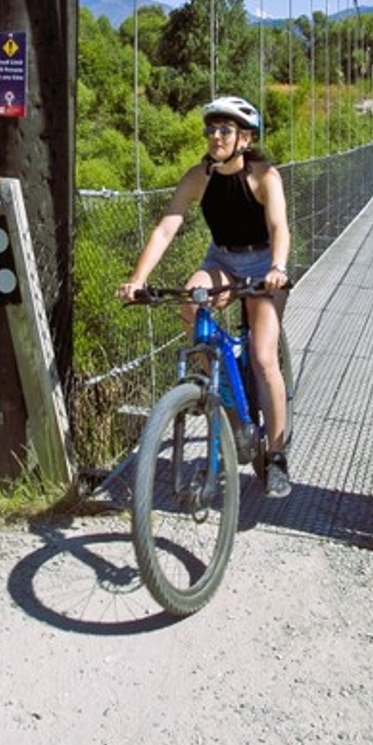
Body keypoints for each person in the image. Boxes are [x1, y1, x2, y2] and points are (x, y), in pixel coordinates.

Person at [118, 94, 294, 497]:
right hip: (222, 259)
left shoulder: (265, 176)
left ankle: (277, 456)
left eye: (225, 130)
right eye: (211, 129)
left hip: (263, 262)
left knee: (264, 357)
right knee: (191, 299)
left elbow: (279, 227)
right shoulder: (198, 177)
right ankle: (222, 392)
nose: (216, 137)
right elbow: (167, 228)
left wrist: (278, 268)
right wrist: (138, 280)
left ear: (245, 138)